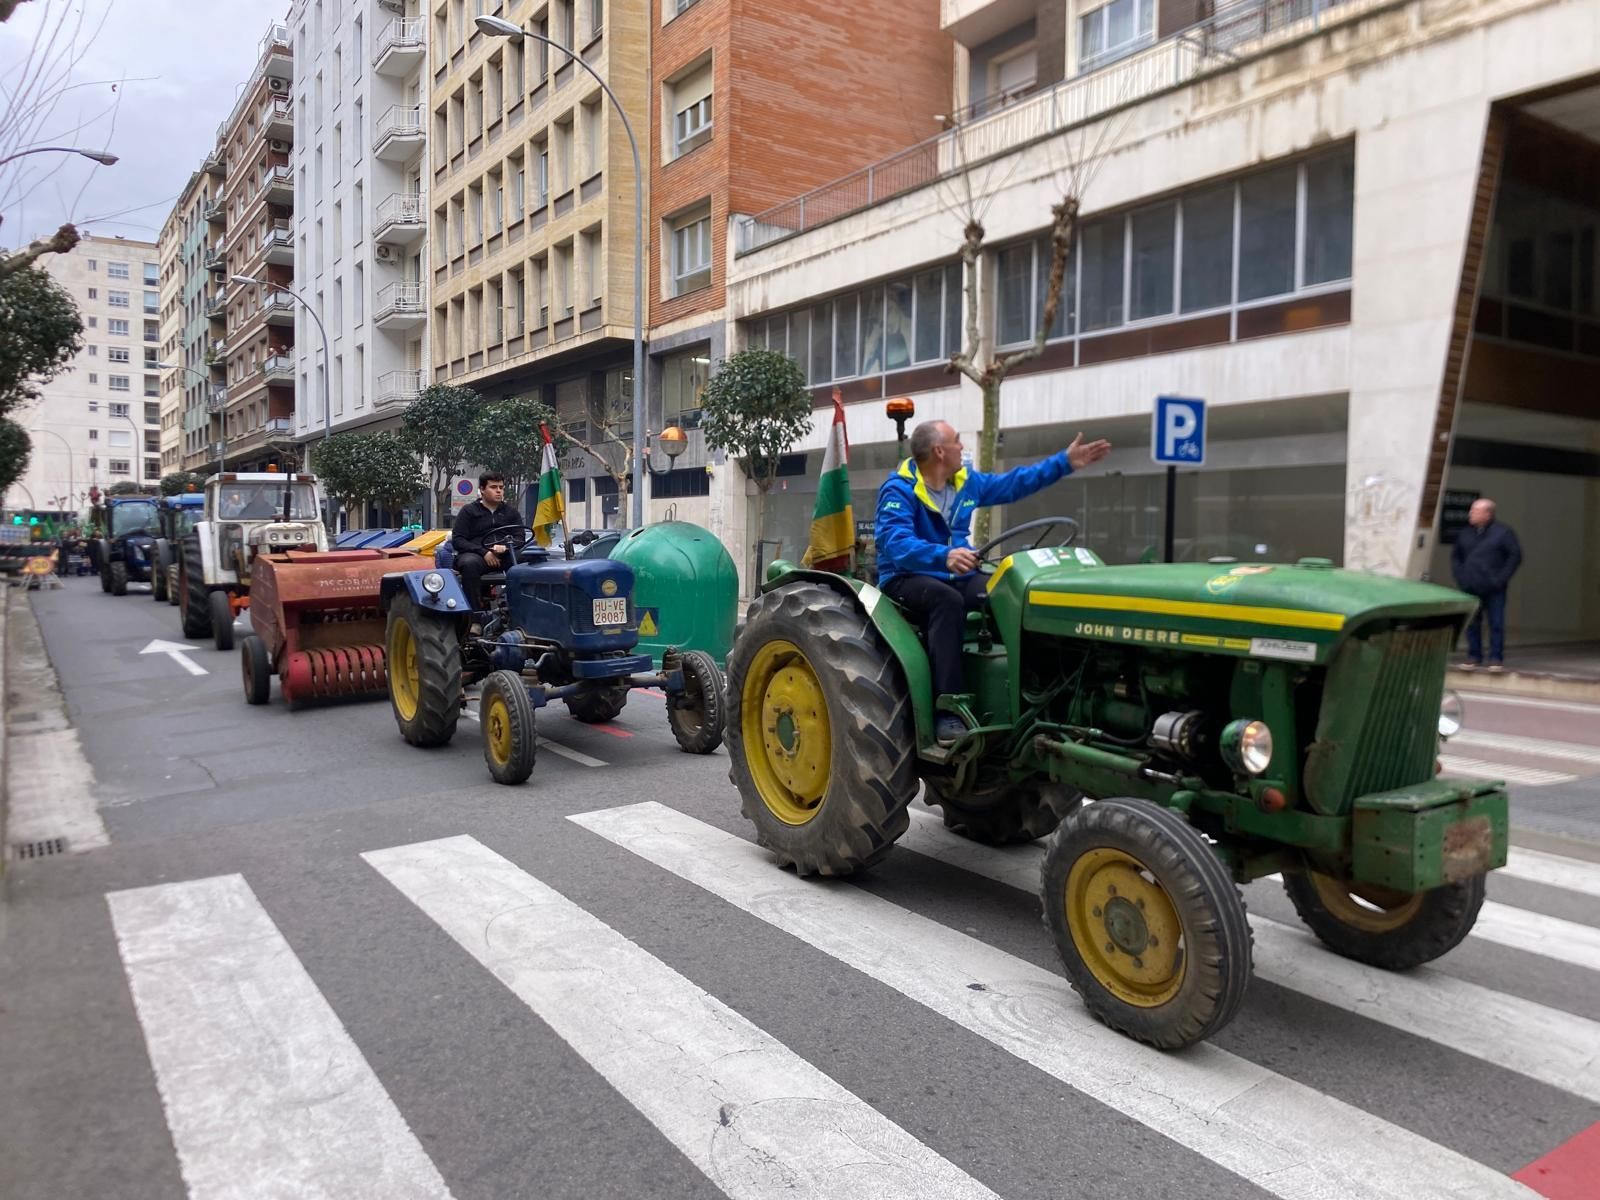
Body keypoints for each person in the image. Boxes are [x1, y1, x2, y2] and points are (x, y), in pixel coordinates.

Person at [875, 420, 1112, 744]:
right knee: (947, 601)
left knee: (1008, 593)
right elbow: (894, 542)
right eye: (957, 440)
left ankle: (1035, 693)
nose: (962, 446)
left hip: (955, 572)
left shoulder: (965, 483)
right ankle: (948, 708)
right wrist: (943, 555)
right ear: (939, 451)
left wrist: (1065, 463)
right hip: (906, 576)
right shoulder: (900, 489)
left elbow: (1014, 483)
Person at [1450, 498, 1522, 672]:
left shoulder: (1503, 532)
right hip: (1470, 585)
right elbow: (1456, 557)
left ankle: (1496, 658)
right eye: (1471, 510)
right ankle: (1474, 656)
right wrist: (1461, 577)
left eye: (1475, 510)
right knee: (1472, 623)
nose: (1470, 513)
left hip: (1494, 587)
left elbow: (1515, 556)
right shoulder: (1465, 533)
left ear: (1488, 514)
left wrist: (1500, 579)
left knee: (1496, 623)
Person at [450, 471, 525, 614]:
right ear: (482, 489)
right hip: (477, 556)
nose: (499, 491)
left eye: (501, 487)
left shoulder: (511, 512)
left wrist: (506, 547)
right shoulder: (468, 511)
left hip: (506, 555)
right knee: (469, 564)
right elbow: (458, 540)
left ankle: (522, 609)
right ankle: (476, 617)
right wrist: (484, 552)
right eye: (493, 487)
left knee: (531, 558)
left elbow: (520, 538)